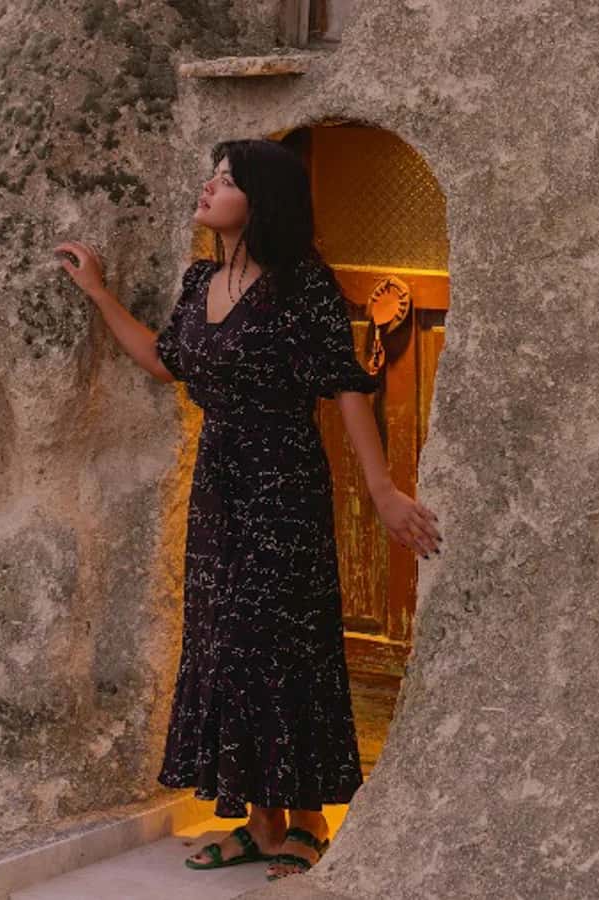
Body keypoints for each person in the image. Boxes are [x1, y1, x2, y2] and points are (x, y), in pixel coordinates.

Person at [54, 138, 443, 882]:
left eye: (225, 181)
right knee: (227, 648)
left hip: (284, 485)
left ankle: (308, 822)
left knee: (283, 646)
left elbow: (347, 388)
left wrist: (384, 490)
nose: (207, 187)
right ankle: (261, 824)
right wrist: (100, 294)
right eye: (212, 175)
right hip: (220, 486)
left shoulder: (305, 288)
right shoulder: (201, 277)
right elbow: (167, 361)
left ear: (260, 204)